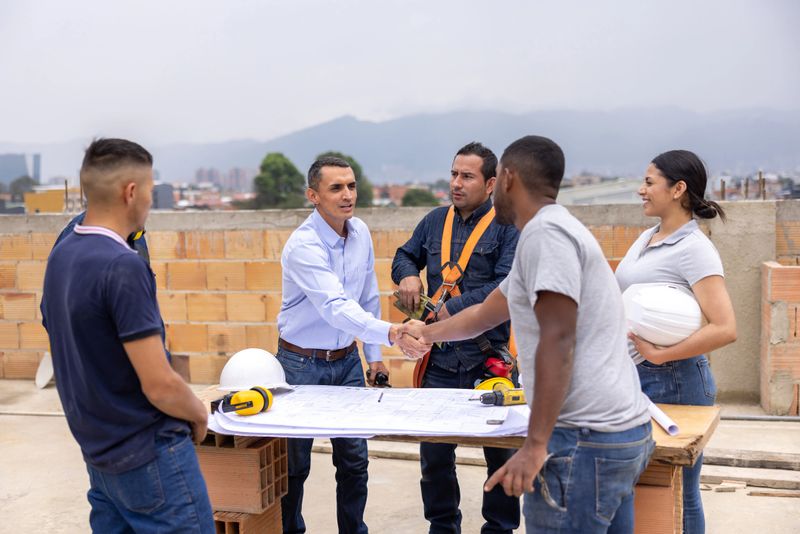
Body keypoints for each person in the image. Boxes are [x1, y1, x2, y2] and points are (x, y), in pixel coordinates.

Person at [404, 135, 654, 533]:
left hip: (583, 440)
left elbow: (558, 339)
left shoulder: (545, 236)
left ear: (505, 180)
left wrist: (535, 445)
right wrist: (427, 333)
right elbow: (485, 314)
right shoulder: (547, 232)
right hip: (615, 435)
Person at [40, 138, 214, 533]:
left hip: (100, 454)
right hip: (150, 456)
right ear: (131, 192)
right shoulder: (123, 266)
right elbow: (160, 385)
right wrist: (199, 413)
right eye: (150, 190)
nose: (151, 200)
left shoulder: (62, 255)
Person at [276, 155, 429, 534]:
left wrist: (374, 357)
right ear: (313, 195)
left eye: (351, 185)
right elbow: (335, 307)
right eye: (336, 188)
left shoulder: (359, 231)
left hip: (347, 363)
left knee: (354, 461)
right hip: (300, 365)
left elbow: (365, 296)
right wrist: (393, 333)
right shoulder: (303, 247)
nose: (347, 195)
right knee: (295, 467)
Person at [392, 142, 520, 533]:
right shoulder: (434, 221)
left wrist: (455, 306)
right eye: (453, 174)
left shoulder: (508, 226)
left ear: (492, 182)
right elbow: (403, 255)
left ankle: (498, 529)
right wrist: (409, 274)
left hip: (488, 360)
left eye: (467, 176)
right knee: (434, 458)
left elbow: (507, 284)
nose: (456, 184)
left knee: (500, 455)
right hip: (442, 363)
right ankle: (443, 527)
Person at [615, 149, 737, 534]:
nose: (641, 190)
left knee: (681, 491)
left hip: (677, 380)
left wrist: (661, 353)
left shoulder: (694, 248)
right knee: (644, 486)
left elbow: (724, 326)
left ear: (678, 189)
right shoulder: (648, 237)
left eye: (650, 182)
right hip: (639, 376)